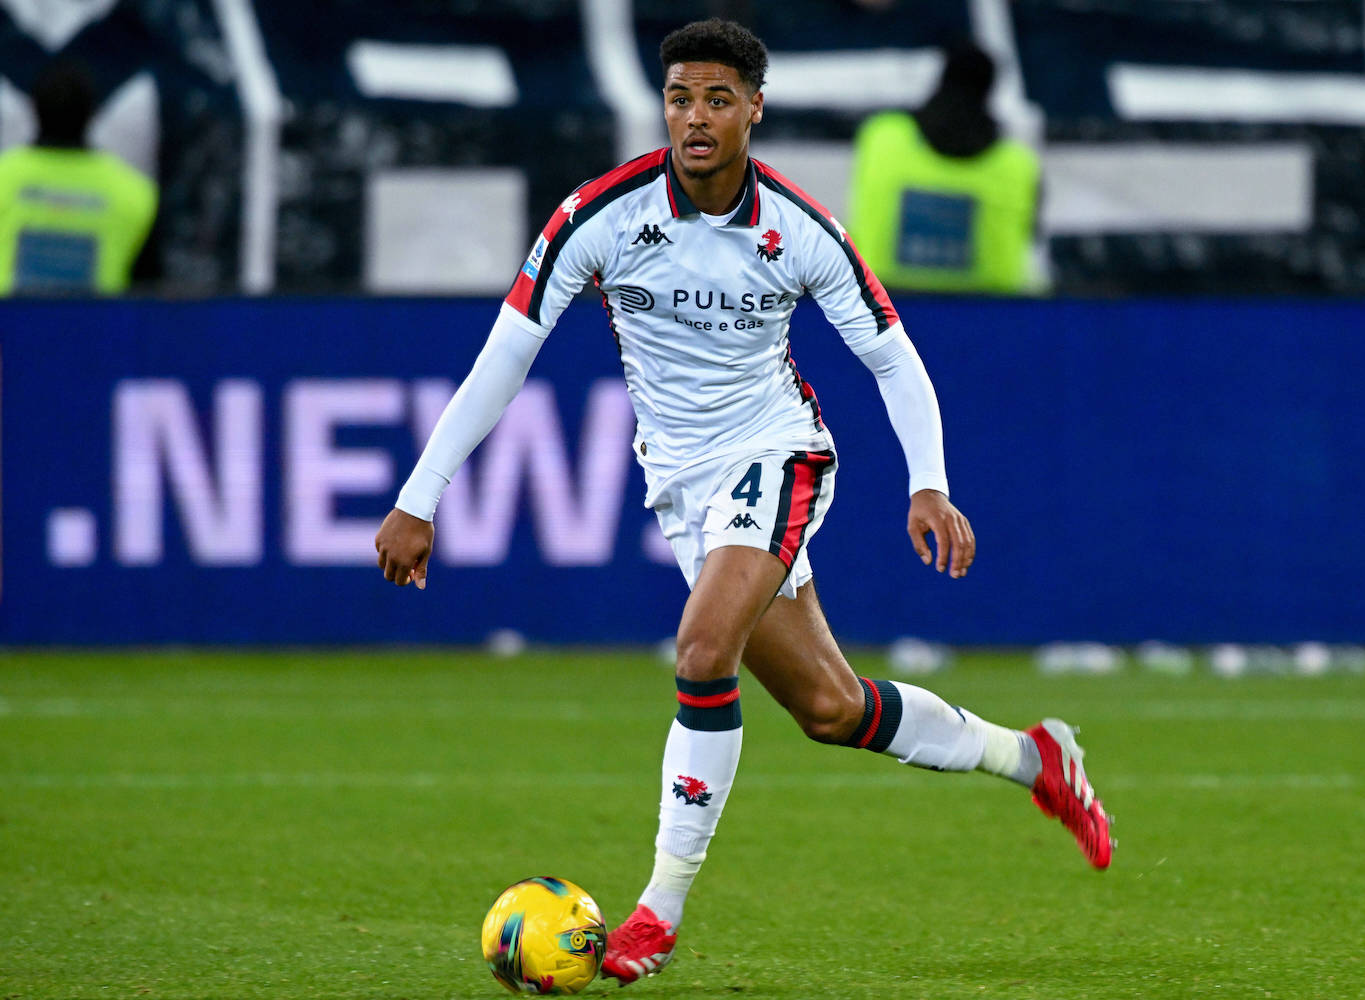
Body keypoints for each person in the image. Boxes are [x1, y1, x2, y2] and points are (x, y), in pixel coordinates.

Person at [374, 19, 1111, 986]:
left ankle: (657, 913)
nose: (696, 117)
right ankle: (1035, 760)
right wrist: (419, 495)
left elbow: (892, 355)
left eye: (718, 99)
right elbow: (504, 358)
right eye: (681, 97)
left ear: (754, 109)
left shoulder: (797, 229)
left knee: (700, 649)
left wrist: (927, 482)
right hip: (681, 486)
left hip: (779, 454)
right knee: (830, 708)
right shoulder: (599, 215)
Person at [847, 43, 1042, 295]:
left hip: (881, 307)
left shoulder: (882, 136)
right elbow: (1031, 238)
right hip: (989, 315)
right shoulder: (1018, 165)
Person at [0, 57, 158, 296]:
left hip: (9, 330)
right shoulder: (136, 192)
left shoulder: (4, 175)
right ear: (93, 113)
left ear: (33, 108)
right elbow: (150, 287)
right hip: (100, 330)